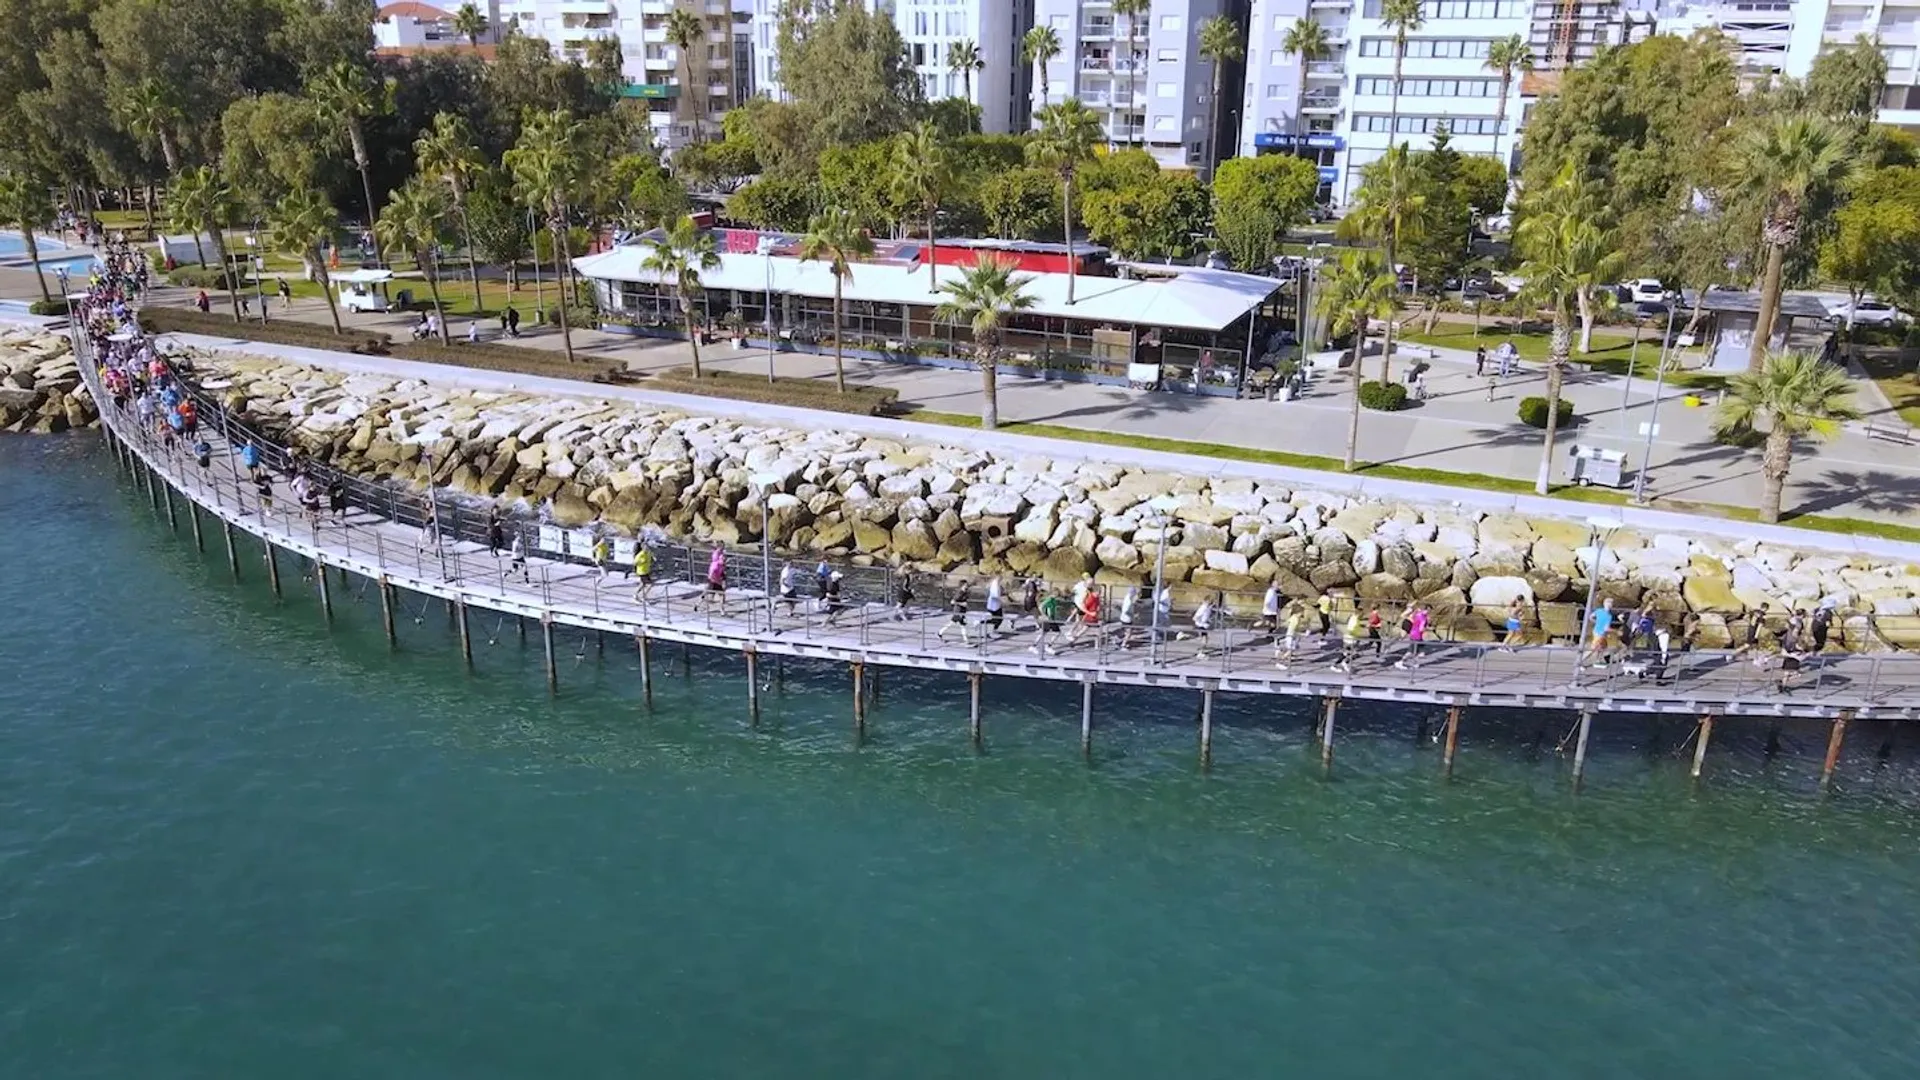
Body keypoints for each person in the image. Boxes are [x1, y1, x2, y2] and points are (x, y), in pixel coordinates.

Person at [1395, 603, 1430, 671]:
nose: (1429, 613)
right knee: (1410, 652)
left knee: (1421, 652)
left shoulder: (1417, 614)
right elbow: (1421, 629)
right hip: (1416, 636)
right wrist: (1429, 629)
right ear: (1426, 610)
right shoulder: (1423, 618)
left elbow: (1412, 619)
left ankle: (1415, 662)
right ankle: (1400, 662)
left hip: (1415, 634)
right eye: (1428, 611)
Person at [1032, 590, 1066, 656]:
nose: (1058, 598)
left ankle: (1034, 646)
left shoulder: (1053, 600)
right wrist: (1044, 615)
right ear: (1055, 595)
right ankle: (1047, 646)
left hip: (1051, 619)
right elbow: (1041, 606)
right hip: (1049, 619)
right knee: (1057, 632)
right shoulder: (1050, 599)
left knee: (1044, 632)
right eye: (1058, 596)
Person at [1583, 598, 1616, 667]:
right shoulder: (1609, 616)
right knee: (1593, 649)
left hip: (1597, 631)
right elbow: (1606, 628)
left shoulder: (1599, 611)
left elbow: (1591, 617)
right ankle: (1580, 661)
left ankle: (1597, 660)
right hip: (1600, 633)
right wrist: (1616, 631)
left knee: (1603, 647)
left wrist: (1596, 622)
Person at [695, 546, 726, 611]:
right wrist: (718, 581)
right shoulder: (715, 566)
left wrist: (723, 581)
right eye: (723, 559)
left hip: (716, 581)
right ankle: (697, 604)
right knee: (706, 593)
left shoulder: (721, 565)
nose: (724, 561)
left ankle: (722, 610)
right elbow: (711, 575)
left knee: (721, 596)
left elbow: (722, 574)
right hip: (712, 581)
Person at [1190, 592, 1218, 659]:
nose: (1213, 602)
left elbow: (1212, 607)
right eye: (1212, 601)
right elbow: (1195, 617)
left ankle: (1201, 651)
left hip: (1202, 625)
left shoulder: (1208, 606)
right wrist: (1203, 623)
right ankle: (1200, 653)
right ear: (1208, 601)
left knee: (1204, 639)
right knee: (1204, 639)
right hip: (1200, 625)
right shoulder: (1204, 608)